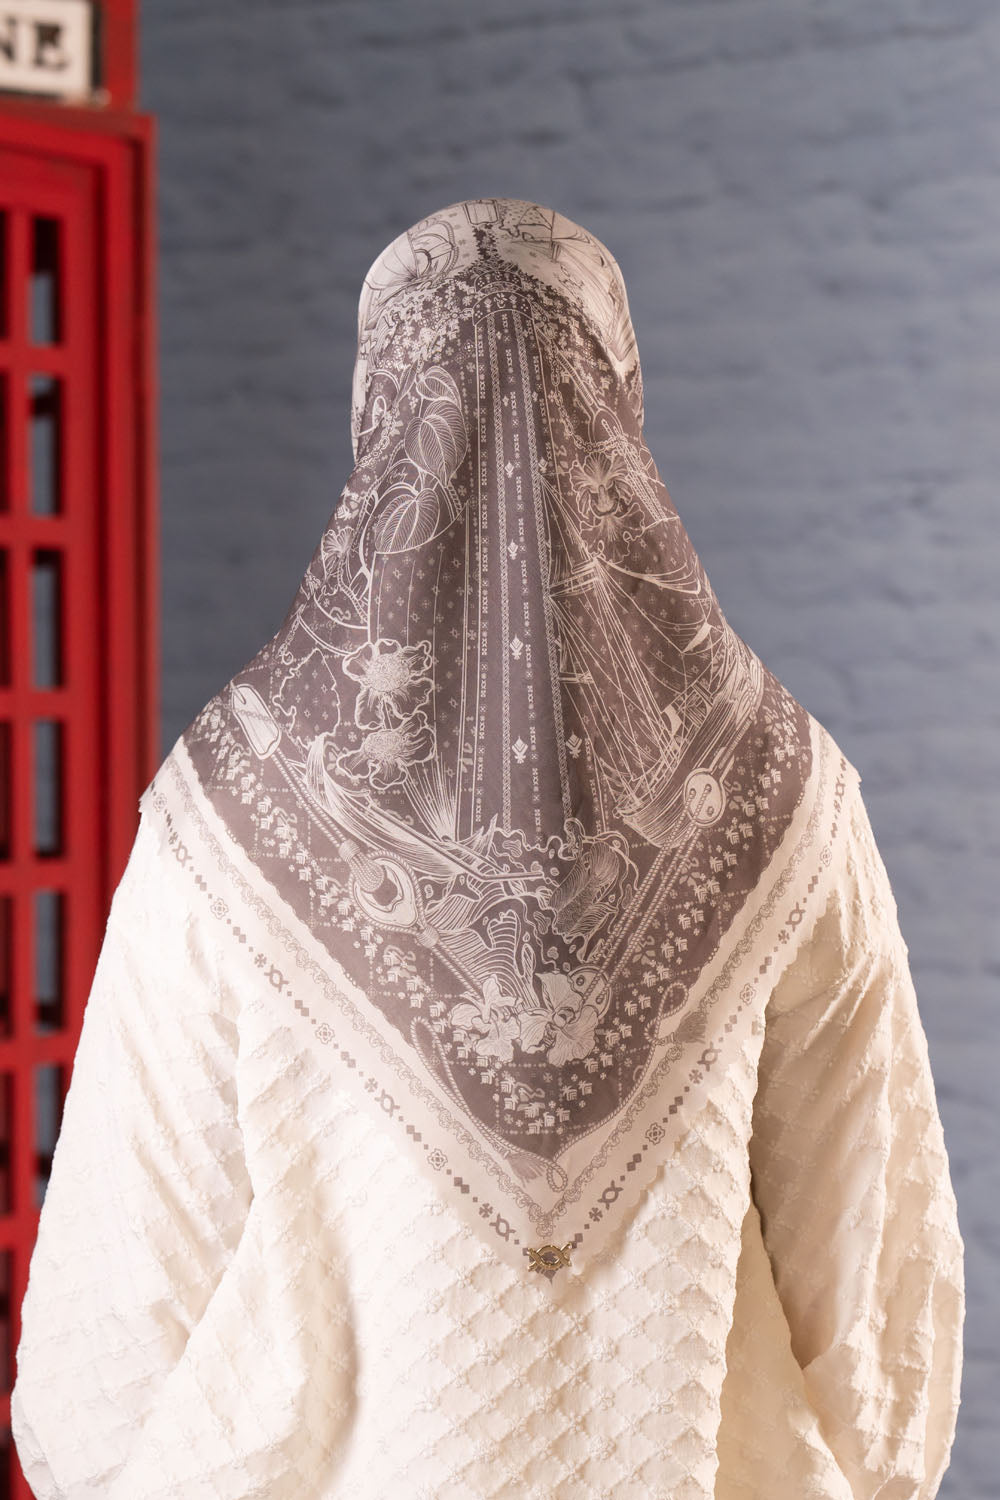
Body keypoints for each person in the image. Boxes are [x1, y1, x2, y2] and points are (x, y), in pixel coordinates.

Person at [10, 197, 964, 1500]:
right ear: (617, 405)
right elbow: (873, 1295)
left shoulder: (224, 810)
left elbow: (120, 1319)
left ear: (380, 415)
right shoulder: (787, 799)